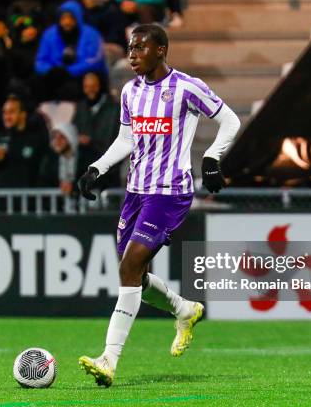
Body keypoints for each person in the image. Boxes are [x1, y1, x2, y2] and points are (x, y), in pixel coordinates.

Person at [77, 24, 241, 386]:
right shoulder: (130, 91)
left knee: (130, 265)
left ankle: (109, 359)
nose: (132, 54)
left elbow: (229, 119)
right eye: (130, 48)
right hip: (135, 191)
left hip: (169, 192)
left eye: (140, 48)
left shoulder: (186, 87)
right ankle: (184, 309)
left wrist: (213, 158)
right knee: (132, 273)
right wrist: (97, 168)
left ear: (161, 50)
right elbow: (126, 139)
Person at [34, 0, 107, 101]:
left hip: (81, 75)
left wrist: (69, 71)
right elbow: (40, 61)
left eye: (71, 18)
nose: (67, 22)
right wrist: (51, 70)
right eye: (63, 18)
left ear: (78, 18)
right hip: (55, 75)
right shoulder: (49, 34)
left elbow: (95, 61)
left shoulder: (91, 34)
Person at [0, 95, 49, 188]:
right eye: (4, 112)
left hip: (28, 198)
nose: (7, 116)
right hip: (2, 199)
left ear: (23, 114)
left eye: (11, 112)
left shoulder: (36, 139)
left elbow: (44, 170)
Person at [72, 71, 119, 151]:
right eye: (86, 87)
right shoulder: (81, 107)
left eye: (94, 86)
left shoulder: (114, 108)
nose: (90, 90)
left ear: (100, 86)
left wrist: (90, 141)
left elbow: (112, 138)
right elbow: (73, 130)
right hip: (83, 155)